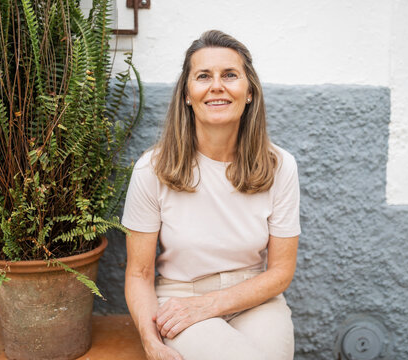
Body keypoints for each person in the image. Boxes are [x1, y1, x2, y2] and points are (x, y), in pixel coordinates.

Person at [122, 30, 301, 360]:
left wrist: (209, 305)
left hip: (254, 298)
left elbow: (280, 272)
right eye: (203, 76)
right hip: (179, 296)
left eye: (230, 75)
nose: (217, 85)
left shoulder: (280, 166)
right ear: (188, 94)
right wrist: (152, 343)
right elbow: (139, 274)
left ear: (249, 92)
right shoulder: (153, 169)